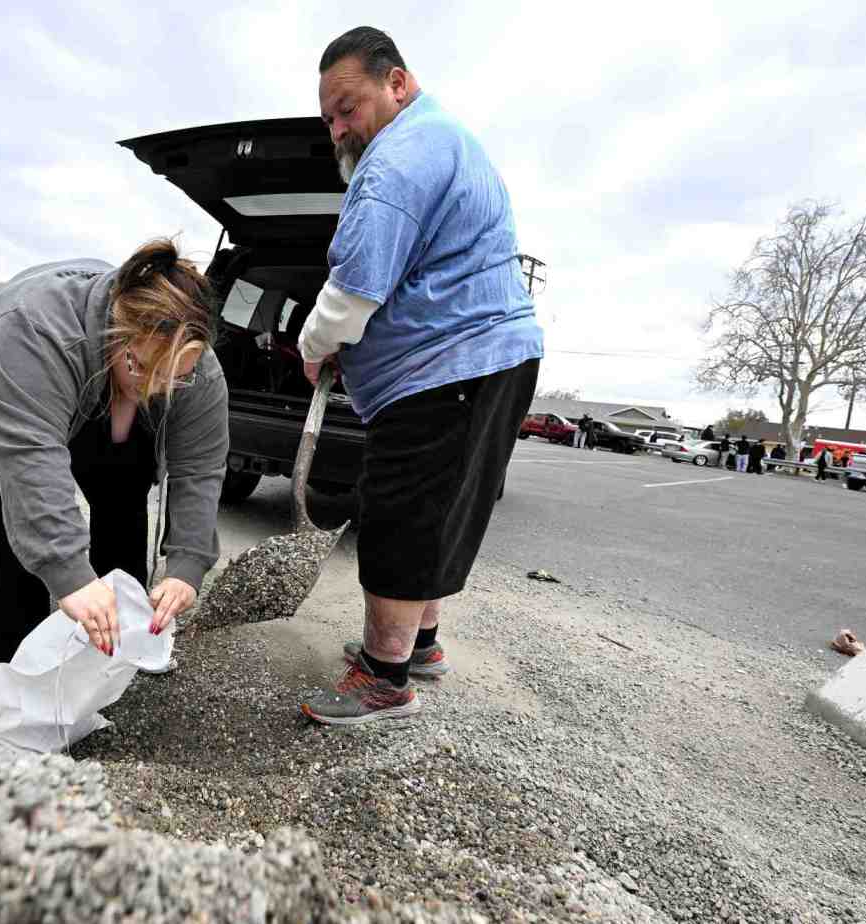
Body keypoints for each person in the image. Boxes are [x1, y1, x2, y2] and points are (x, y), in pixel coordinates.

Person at [296, 27, 544, 724]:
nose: (340, 128)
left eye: (348, 107)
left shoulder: (397, 158)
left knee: (401, 516)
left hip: (449, 366)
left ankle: (384, 676)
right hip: (486, 358)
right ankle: (422, 644)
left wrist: (315, 345)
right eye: (330, 119)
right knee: (437, 511)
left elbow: (355, 291)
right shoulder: (443, 139)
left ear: (397, 83)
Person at [0, 240, 230, 668]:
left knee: (124, 482)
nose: (156, 387)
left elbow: (200, 466)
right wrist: (68, 572)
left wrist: (187, 564)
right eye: (144, 368)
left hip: (98, 373)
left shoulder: (197, 369)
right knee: (7, 499)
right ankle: (14, 652)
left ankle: (120, 629)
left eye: (174, 377)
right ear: (117, 333)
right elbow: (31, 456)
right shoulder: (35, 327)